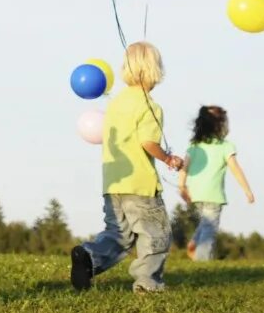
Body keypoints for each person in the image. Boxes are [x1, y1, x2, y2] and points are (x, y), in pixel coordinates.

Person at [71, 41, 184, 293]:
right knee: (156, 234)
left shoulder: (116, 104)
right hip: (139, 184)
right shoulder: (151, 106)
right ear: (155, 70)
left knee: (119, 235)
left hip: (113, 183)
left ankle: (89, 256)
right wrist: (168, 159)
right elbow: (147, 142)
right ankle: (147, 283)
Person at [180, 105, 254, 261]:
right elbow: (236, 169)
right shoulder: (225, 146)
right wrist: (247, 190)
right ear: (221, 125)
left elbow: (183, 168)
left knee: (206, 222)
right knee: (209, 229)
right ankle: (201, 261)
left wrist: (182, 187)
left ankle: (194, 242)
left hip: (196, 194)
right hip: (213, 195)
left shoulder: (194, 147)